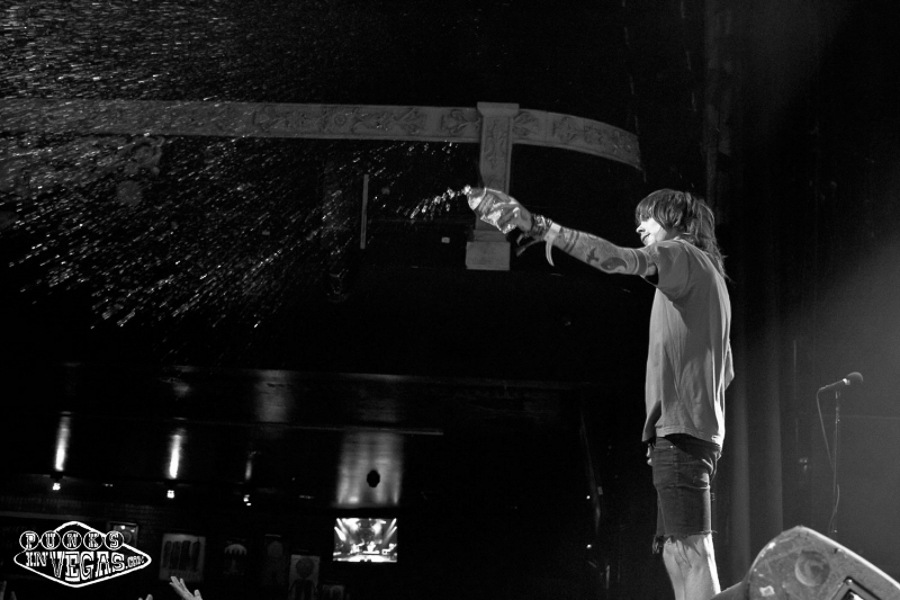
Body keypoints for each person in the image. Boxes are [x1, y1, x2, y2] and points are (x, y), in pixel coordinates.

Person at [497, 188, 733, 600]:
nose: (640, 227)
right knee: (676, 551)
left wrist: (546, 229)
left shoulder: (680, 254)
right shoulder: (709, 278)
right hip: (688, 431)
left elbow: (619, 259)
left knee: (692, 551)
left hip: (683, 432)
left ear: (676, 220)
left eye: (648, 219)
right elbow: (725, 371)